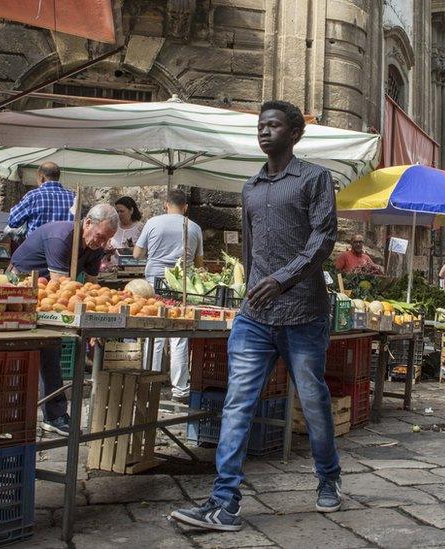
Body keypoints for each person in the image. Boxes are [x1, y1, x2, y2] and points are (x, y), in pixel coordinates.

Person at [171, 100, 341, 531]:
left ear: (295, 134)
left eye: (274, 126)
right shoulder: (250, 188)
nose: (264, 131)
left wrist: (283, 279)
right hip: (256, 314)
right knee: (237, 402)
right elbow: (248, 249)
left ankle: (328, 478)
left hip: (304, 313)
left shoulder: (315, 179)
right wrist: (251, 289)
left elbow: (323, 240)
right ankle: (224, 502)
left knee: (314, 400)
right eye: (261, 126)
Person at [9, 203, 120, 435]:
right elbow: (61, 287)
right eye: (100, 236)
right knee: (39, 347)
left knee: (51, 349)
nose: (101, 243)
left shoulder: (96, 247)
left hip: (48, 290)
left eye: (107, 239)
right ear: (87, 223)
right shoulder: (62, 238)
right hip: (20, 285)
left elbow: (92, 286)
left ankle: (54, 413)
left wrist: (97, 319)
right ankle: (45, 413)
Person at [134, 189, 204, 402]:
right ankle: (180, 389)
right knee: (179, 335)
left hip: (154, 280)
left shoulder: (153, 222)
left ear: (166, 204)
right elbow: (199, 263)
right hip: (182, 284)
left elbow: (137, 254)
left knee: (154, 330)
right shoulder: (194, 227)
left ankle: (150, 382)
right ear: (186, 207)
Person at [7, 162, 75, 237]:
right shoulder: (73, 197)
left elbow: (13, 221)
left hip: (36, 247)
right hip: (64, 247)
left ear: (41, 178)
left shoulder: (33, 196)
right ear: (58, 177)